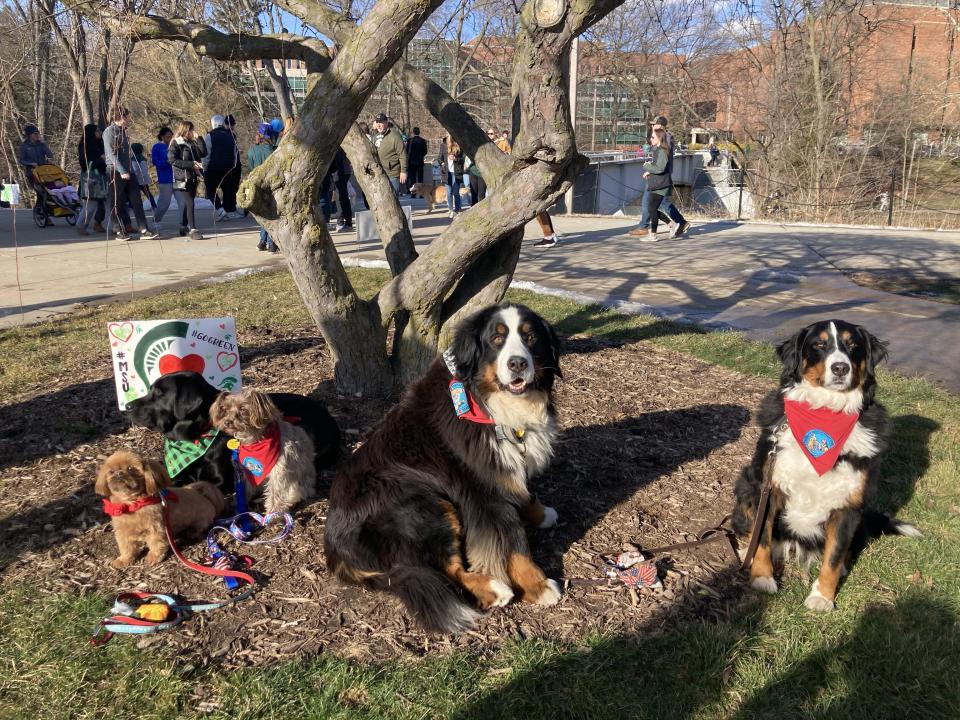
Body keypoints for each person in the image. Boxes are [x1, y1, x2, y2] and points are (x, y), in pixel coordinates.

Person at [102, 106, 158, 241]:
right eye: (127, 117)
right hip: (115, 171)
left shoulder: (123, 132)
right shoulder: (109, 132)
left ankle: (143, 229)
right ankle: (119, 230)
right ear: (121, 117)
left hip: (129, 170)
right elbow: (111, 153)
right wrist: (121, 171)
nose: (129, 119)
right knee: (117, 202)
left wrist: (130, 169)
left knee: (136, 199)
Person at [631, 115, 689, 238]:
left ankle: (647, 228)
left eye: (654, 124)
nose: (652, 126)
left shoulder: (665, 138)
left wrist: (650, 170)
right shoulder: (661, 137)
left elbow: (662, 162)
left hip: (659, 177)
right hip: (657, 175)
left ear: (660, 125)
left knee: (650, 203)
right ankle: (677, 223)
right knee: (660, 203)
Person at [630, 127, 672, 242]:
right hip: (657, 183)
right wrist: (649, 171)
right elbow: (658, 166)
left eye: (653, 137)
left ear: (659, 138)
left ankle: (653, 235)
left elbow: (660, 168)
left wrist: (647, 166)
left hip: (661, 184)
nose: (650, 139)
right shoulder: (657, 150)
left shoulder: (662, 151)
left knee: (652, 209)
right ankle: (671, 224)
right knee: (651, 208)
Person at [168, 120, 206, 241]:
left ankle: (183, 225)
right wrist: (191, 164)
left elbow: (204, 153)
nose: (193, 132)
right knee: (190, 203)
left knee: (187, 203)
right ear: (185, 130)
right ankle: (193, 229)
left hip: (194, 177)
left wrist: (199, 138)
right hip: (182, 178)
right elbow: (172, 160)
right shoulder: (176, 143)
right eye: (191, 130)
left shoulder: (192, 143)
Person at [203, 114, 242, 220]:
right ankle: (229, 210)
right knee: (228, 189)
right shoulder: (231, 135)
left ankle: (220, 209)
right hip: (229, 168)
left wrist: (204, 167)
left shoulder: (210, 135)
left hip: (213, 168)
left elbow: (207, 153)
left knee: (211, 189)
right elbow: (235, 153)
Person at [247, 125, 277, 251]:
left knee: (263, 214)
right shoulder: (274, 150)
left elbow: (251, 169)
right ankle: (271, 242)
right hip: (270, 186)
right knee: (272, 214)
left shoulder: (251, 151)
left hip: (257, 186)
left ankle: (262, 241)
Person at [76, 123, 106, 235]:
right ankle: (80, 225)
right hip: (91, 178)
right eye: (97, 130)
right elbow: (85, 165)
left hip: (103, 177)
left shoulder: (100, 144)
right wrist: (101, 159)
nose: (99, 132)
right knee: (91, 204)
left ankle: (114, 226)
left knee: (109, 202)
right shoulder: (85, 146)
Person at [372, 112, 407, 195]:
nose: (379, 125)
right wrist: (373, 129)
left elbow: (402, 154)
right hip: (379, 172)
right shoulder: (376, 134)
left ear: (386, 122)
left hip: (392, 173)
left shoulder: (395, 136)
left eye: (381, 123)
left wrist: (403, 171)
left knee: (393, 197)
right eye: (377, 123)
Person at [152, 127, 176, 225]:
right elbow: (155, 162)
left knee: (183, 202)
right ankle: (156, 220)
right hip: (165, 179)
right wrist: (166, 162)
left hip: (178, 178)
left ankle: (185, 223)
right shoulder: (157, 147)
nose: (169, 139)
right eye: (167, 137)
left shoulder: (175, 145)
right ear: (162, 137)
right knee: (165, 203)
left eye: (171, 137)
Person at [437, 137, 464, 217]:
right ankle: (451, 209)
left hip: (456, 172)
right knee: (449, 192)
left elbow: (462, 159)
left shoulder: (459, 145)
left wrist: (455, 158)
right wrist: (442, 163)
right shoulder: (443, 145)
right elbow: (439, 158)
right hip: (446, 172)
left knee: (456, 192)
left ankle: (458, 209)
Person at [130, 143, 157, 211]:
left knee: (134, 194)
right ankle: (153, 205)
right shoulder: (142, 158)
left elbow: (135, 170)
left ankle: (132, 206)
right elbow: (144, 170)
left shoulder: (134, 159)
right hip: (144, 179)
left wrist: (131, 176)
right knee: (147, 193)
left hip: (137, 180)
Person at [332, 148, 353, 232]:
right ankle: (345, 222)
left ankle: (343, 222)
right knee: (342, 197)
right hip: (343, 170)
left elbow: (337, 159)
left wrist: (332, 170)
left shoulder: (337, 143)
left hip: (340, 171)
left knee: (341, 198)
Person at [406, 127, 428, 195]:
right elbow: (425, 151)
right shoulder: (423, 141)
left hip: (411, 162)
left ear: (413, 132)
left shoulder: (410, 140)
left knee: (413, 179)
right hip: (420, 162)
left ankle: (413, 193)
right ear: (419, 132)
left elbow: (407, 151)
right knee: (420, 178)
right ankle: (421, 193)